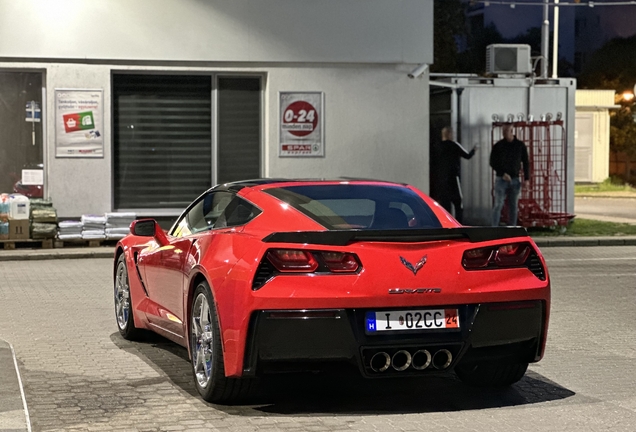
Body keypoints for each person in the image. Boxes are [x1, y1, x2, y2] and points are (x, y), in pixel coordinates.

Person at [433, 126, 478, 224]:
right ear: (449, 134)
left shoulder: (437, 147)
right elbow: (467, 155)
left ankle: (446, 224)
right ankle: (458, 224)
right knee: (458, 202)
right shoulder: (454, 145)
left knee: (445, 204)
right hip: (453, 178)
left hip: (441, 179)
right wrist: (474, 150)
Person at [490, 123, 530, 226]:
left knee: (513, 206)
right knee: (498, 204)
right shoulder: (498, 146)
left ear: (512, 131)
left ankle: (512, 228)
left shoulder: (520, 146)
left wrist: (526, 178)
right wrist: (502, 173)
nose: (504, 134)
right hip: (501, 178)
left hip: (515, 179)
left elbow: (526, 162)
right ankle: (494, 228)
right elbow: (492, 162)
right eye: (503, 131)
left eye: (506, 131)